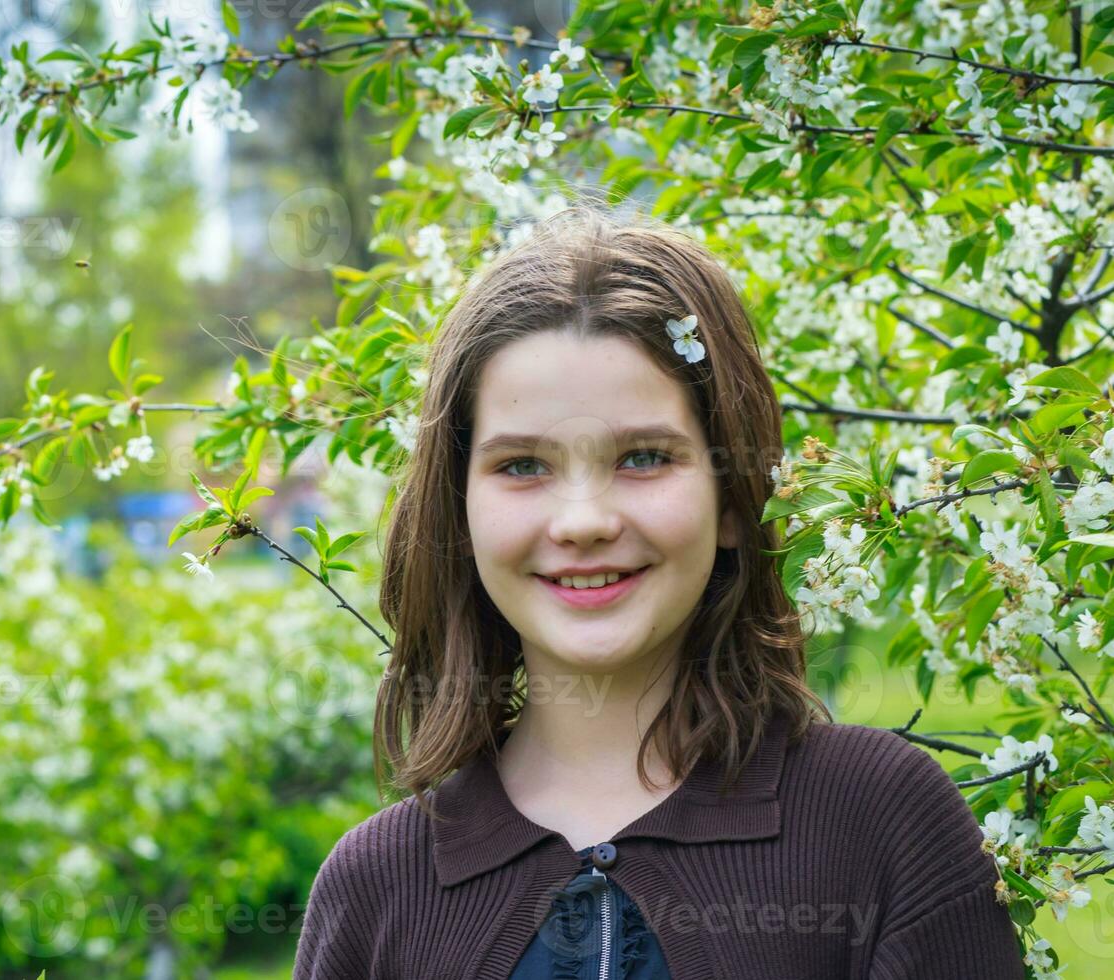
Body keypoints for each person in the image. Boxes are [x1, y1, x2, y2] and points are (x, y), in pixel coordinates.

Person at [292, 205, 1026, 979]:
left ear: (736, 497)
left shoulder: (881, 825)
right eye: (522, 465)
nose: (582, 522)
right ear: (459, 514)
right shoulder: (375, 890)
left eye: (643, 457)